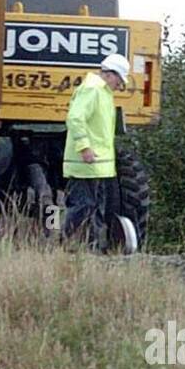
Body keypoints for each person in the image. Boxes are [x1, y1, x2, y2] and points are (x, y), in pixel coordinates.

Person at [63, 53, 130, 249]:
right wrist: (84, 148)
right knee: (83, 205)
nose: (120, 86)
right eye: (119, 80)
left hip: (96, 166)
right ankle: (64, 241)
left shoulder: (102, 93)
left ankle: (91, 247)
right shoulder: (92, 90)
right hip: (85, 164)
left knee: (94, 207)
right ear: (110, 75)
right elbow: (75, 118)